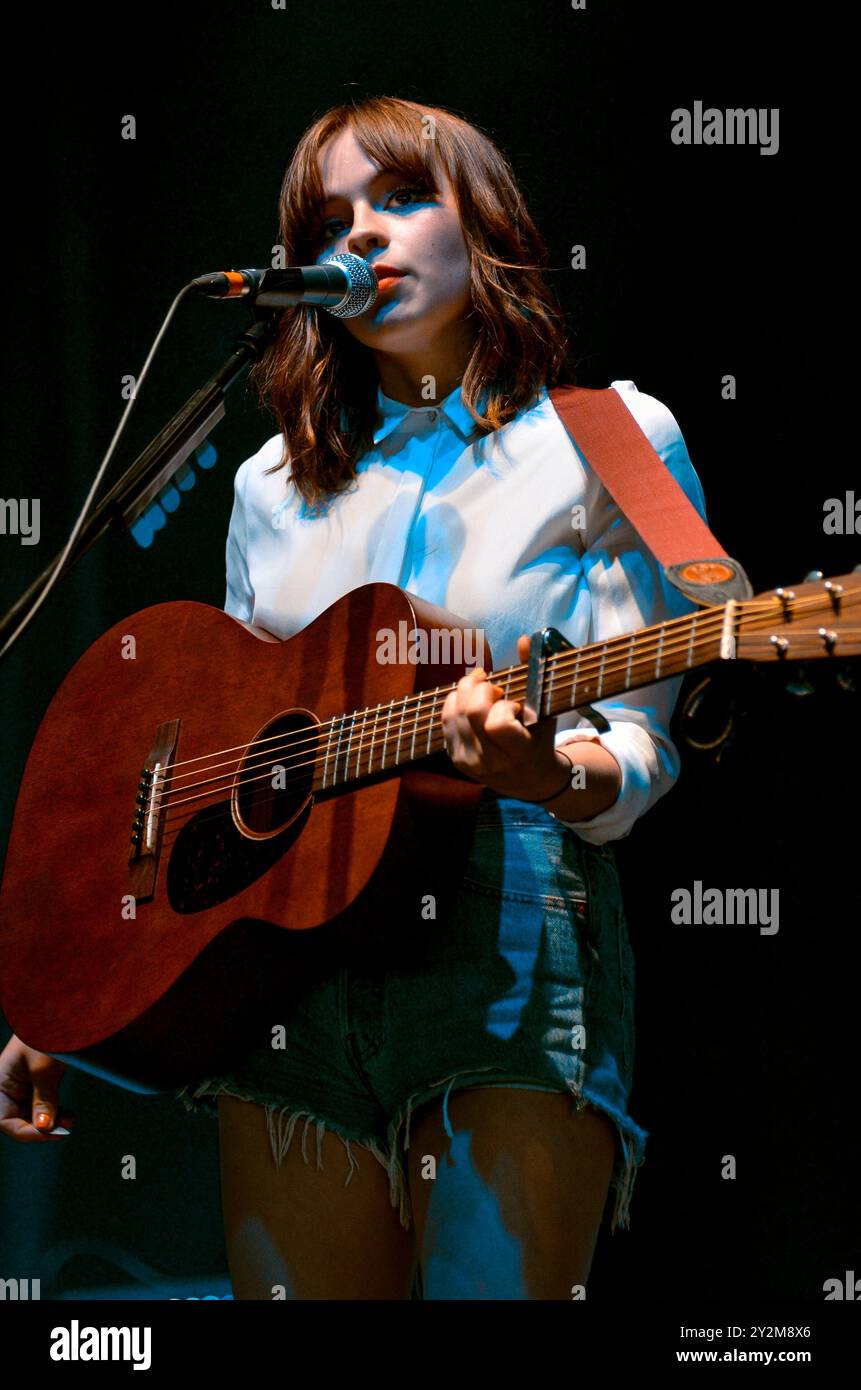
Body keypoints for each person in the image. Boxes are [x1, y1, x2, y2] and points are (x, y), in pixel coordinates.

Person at [0, 95, 707, 1300]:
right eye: (328, 220)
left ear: (480, 219)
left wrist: (541, 771)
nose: (361, 239)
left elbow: (641, 742)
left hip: (510, 935)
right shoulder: (273, 482)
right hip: (288, 971)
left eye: (398, 198)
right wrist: (93, 984)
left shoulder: (613, 437)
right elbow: (217, 750)